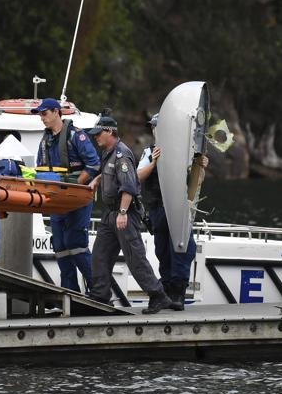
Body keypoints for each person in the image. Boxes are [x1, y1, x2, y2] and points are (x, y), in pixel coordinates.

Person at [86, 114, 181, 314]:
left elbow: (129, 185)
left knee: (135, 258)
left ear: (110, 132)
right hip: (110, 214)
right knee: (99, 256)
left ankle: (158, 296)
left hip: (124, 213)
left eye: (98, 134)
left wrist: (122, 213)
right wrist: (97, 180)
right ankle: (100, 296)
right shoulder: (108, 153)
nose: (95, 137)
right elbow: (110, 173)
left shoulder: (122, 154)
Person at [137, 113, 208, 310]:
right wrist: (153, 162)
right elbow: (138, 176)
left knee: (182, 249)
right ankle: (167, 291)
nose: (154, 130)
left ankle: (178, 293)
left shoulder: (185, 151)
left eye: (157, 126)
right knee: (162, 251)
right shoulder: (149, 151)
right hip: (157, 208)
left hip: (178, 209)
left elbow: (196, 182)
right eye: (153, 126)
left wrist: (201, 166)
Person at [30, 97, 101, 293]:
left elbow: (93, 164)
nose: (42, 118)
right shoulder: (45, 141)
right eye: (40, 115)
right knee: (60, 246)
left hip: (76, 198)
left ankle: (98, 289)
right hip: (56, 200)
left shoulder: (76, 136)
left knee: (76, 243)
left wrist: (76, 186)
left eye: (44, 114)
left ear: (56, 112)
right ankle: (70, 293)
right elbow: (40, 169)